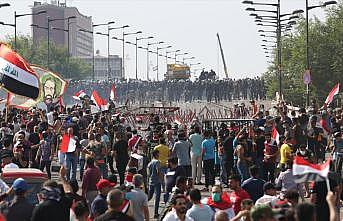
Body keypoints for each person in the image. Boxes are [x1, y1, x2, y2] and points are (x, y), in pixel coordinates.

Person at [148, 149, 163, 218]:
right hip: (157, 181)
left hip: (151, 181)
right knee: (157, 197)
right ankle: (155, 213)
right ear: (156, 154)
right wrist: (162, 180)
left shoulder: (150, 163)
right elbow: (158, 171)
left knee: (149, 196)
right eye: (158, 154)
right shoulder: (157, 162)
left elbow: (148, 173)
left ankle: (141, 205)